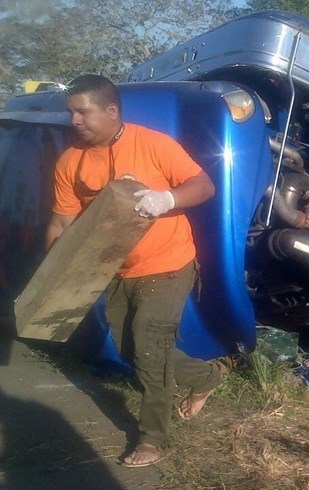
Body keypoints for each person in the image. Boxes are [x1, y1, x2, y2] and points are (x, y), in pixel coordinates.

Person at [45, 74, 223, 468]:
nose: (74, 120)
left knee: (146, 345)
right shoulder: (70, 161)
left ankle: (151, 438)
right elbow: (62, 223)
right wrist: (51, 273)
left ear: (111, 111)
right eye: (70, 112)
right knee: (131, 349)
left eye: (82, 112)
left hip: (169, 261)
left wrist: (168, 198)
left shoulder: (153, 144)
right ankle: (205, 378)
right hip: (115, 268)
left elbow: (204, 185)